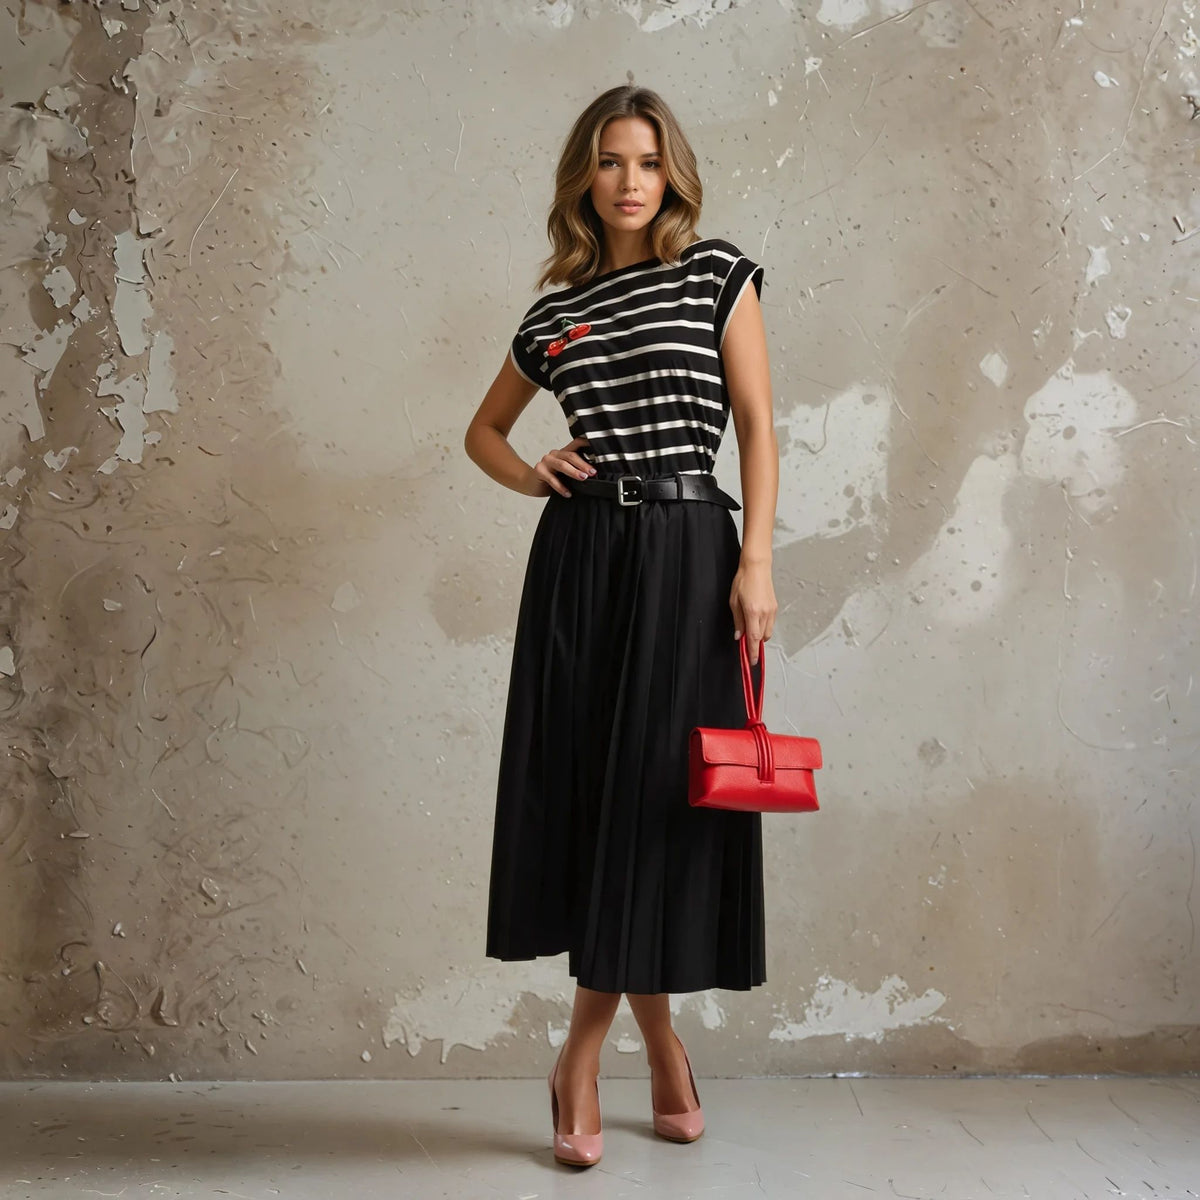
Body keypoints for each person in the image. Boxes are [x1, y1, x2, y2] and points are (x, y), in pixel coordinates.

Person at [463, 83, 779, 1168]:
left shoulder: (714, 274)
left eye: (647, 161)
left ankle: (584, 1053)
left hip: (692, 555)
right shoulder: (555, 312)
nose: (631, 180)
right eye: (609, 162)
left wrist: (758, 560)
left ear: (672, 173)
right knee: (598, 796)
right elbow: (485, 432)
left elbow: (757, 427)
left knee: (660, 798)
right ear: (583, 180)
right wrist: (530, 473)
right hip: (584, 559)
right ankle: (658, 1041)